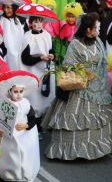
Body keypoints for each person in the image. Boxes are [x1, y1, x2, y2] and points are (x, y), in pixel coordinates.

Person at [44, 12, 112, 160]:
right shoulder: (75, 44)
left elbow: (102, 62)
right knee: (75, 120)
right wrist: (85, 73)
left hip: (97, 88)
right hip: (79, 88)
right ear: (88, 29)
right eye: (97, 27)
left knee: (96, 122)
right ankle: (73, 151)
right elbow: (68, 65)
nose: (99, 30)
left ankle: (96, 150)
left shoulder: (98, 41)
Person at [0, 70, 40, 182]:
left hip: (25, 138)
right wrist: (0, 130)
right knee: (12, 164)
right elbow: (0, 121)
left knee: (27, 164)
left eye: (21, 92)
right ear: (10, 92)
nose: (18, 95)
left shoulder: (26, 103)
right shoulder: (6, 104)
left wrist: (26, 126)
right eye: (15, 92)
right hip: (10, 138)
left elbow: (33, 119)